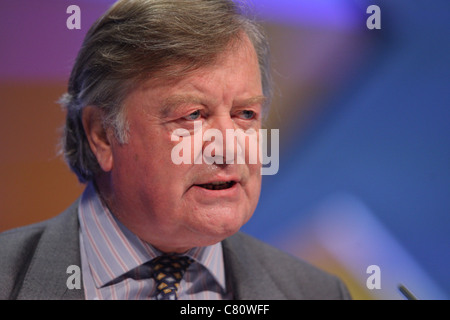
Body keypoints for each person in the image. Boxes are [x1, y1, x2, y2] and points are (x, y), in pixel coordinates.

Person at [0, 0, 351, 300]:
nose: (229, 148)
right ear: (102, 135)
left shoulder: (317, 293)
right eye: (193, 116)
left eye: (245, 114)